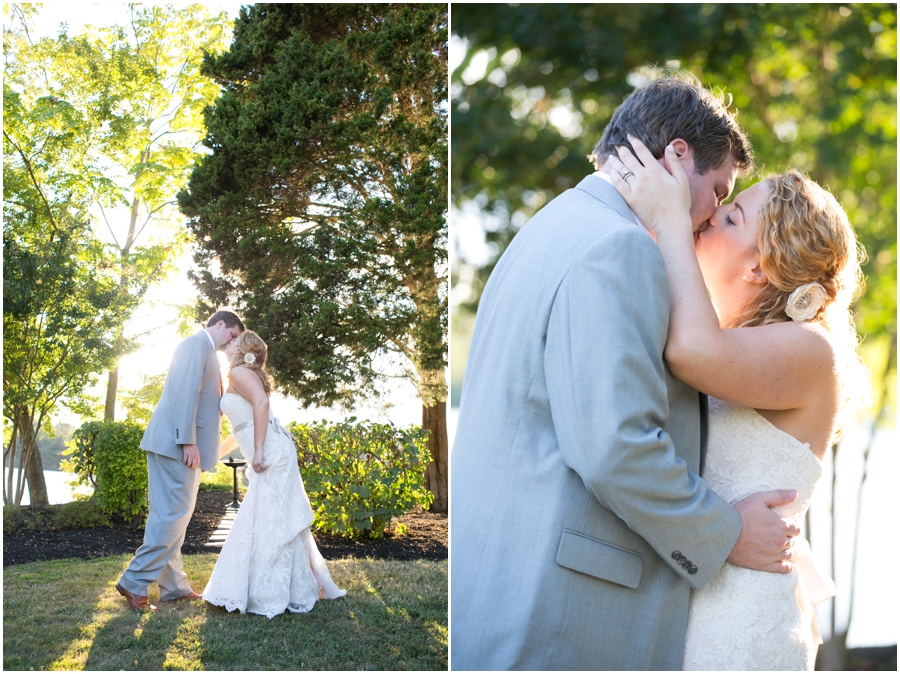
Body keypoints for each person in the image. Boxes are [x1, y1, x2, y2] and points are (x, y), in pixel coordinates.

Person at [450, 73, 803, 670]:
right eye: (718, 191)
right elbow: (616, 447)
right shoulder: (620, 247)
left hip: (497, 583)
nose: (712, 216)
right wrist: (726, 532)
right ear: (677, 157)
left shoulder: (549, 226)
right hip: (563, 615)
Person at [607, 138, 868, 670]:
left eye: (733, 217)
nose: (713, 214)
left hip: (741, 618)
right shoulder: (732, 340)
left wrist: (671, 216)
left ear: (760, 267)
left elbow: (691, 351)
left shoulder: (811, 349)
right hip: (695, 595)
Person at [202, 330, 346, 618]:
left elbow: (262, 406)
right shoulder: (243, 374)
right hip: (274, 448)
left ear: (242, 349)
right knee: (274, 516)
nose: (228, 343)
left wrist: (257, 451)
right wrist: (214, 456)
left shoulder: (241, 372)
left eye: (233, 341)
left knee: (270, 517)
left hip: (271, 452)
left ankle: (272, 590)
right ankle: (296, 584)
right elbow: (241, 425)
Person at [117, 309, 244, 612]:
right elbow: (184, 395)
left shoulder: (204, 350)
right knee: (173, 517)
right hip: (177, 446)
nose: (232, 342)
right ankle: (133, 582)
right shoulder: (195, 345)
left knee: (169, 517)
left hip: (172, 445)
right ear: (221, 324)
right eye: (233, 335)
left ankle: (173, 587)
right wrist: (187, 441)